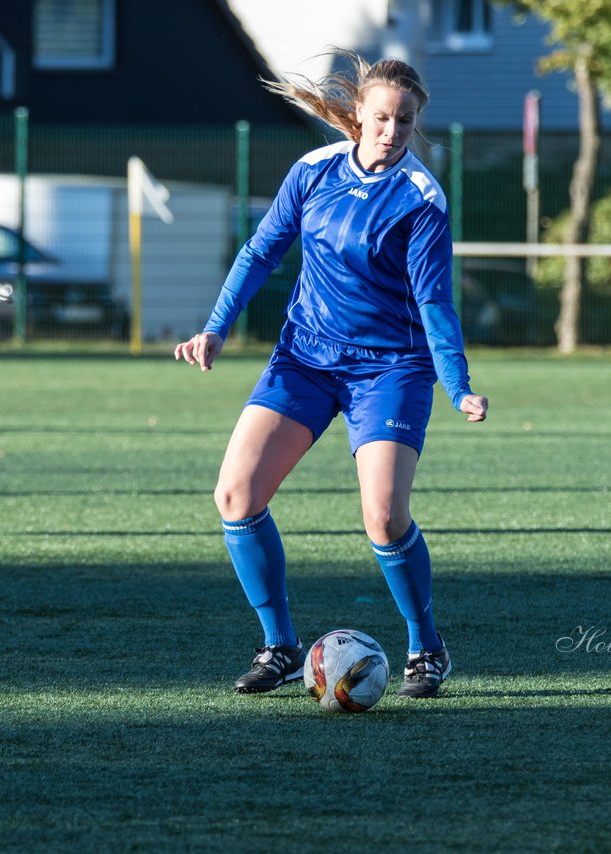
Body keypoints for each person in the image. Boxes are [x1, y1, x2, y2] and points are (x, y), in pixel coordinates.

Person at [174, 53, 488, 699]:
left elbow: (434, 303)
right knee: (235, 496)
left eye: (405, 120)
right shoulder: (314, 171)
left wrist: (457, 385)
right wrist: (215, 325)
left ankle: (427, 648)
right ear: (358, 116)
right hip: (306, 358)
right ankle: (279, 646)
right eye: (381, 117)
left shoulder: (421, 199)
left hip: (390, 369)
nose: (392, 130)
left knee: (384, 518)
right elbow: (262, 250)